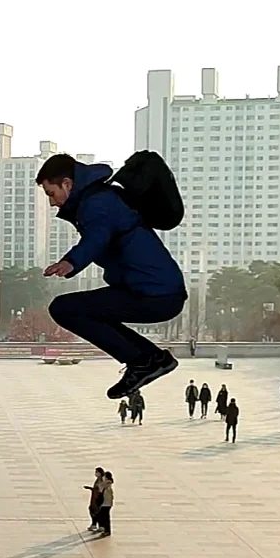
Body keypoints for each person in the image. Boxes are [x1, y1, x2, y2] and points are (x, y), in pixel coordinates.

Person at [37, 152, 186, 399]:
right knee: (80, 310)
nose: (52, 203)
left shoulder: (98, 202)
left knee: (66, 309)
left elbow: (97, 236)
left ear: (67, 183)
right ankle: (150, 359)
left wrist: (71, 262)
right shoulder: (98, 198)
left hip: (156, 294)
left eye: (51, 194)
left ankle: (145, 360)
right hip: (150, 290)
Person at [85, 466, 105, 533]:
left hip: (98, 498)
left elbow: (100, 490)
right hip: (95, 497)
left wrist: (92, 489)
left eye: (96, 472)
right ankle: (95, 524)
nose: (95, 473)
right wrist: (90, 488)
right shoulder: (98, 480)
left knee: (96, 511)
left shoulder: (101, 480)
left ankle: (99, 525)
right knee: (92, 510)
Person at [99, 470, 114, 538]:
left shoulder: (107, 484)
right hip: (105, 503)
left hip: (106, 503)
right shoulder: (107, 484)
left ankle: (107, 530)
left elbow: (100, 487)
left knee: (105, 517)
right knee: (104, 516)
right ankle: (106, 529)